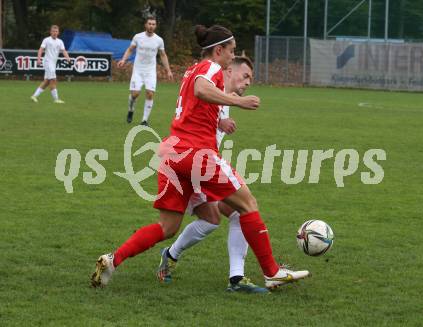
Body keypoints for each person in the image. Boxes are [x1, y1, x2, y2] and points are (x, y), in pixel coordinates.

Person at [91, 24, 309, 290]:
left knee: (168, 226)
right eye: (231, 51)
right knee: (248, 204)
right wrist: (238, 102)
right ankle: (271, 272)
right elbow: (201, 91)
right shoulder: (212, 68)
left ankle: (113, 259)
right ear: (219, 50)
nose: (232, 56)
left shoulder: (191, 69)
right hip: (197, 154)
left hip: (174, 155)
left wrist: (221, 115)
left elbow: (198, 101)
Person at [156, 56, 268, 293]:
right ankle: (171, 255)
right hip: (190, 166)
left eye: (251, 78)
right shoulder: (212, 89)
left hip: (204, 165)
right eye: (245, 75)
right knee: (220, 216)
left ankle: (235, 277)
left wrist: (223, 119)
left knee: (233, 214)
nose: (248, 82)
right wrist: (223, 119)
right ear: (228, 71)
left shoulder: (223, 97)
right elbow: (197, 105)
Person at [117, 15, 173, 126]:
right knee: (135, 94)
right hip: (138, 70)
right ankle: (131, 110)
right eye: (149, 24)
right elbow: (130, 49)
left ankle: (144, 120)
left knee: (150, 93)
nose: (151, 26)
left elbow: (163, 55)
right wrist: (123, 60)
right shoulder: (138, 37)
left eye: (153, 24)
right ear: (145, 25)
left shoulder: (159, 40)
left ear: (155, 26)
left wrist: (168, 70)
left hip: (150, 71)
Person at [30, 25, 70, 104]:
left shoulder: (60, 41)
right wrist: (38, 59)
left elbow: (63, 51)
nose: (55, 33)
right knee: (53, 80)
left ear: (58, 32)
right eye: (53, 31)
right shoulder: (46, 40)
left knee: (47, 81)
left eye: (56, 31)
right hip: (47, 62)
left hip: (53, 63)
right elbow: (41, 49)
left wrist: (68, 58)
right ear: (50, 32)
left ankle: (34, 96)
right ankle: (56, 99)